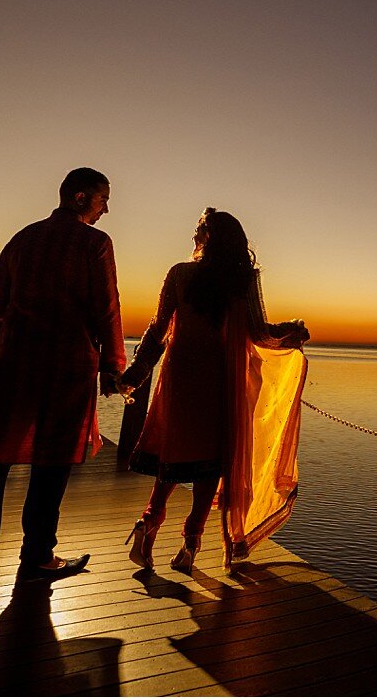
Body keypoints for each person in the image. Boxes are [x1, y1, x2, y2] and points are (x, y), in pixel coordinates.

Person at [0, 167, 127, 588]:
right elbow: (107, 308)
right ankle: (39, 554)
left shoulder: (21, 239)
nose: (106, 209)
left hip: (15, 364)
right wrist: (114, 366)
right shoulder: (94, 243)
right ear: (81, 198)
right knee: (52, 462)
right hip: (67, 366)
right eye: (103, 199)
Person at [119, 207, 309, 571]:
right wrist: (292, 330)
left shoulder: (180, 273)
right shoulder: (242, 280)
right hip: (223, 377)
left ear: (207, 237)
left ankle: (148, 526)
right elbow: (258, 331)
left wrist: (137, 372)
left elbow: (159, 329)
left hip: (183, 374)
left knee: (173, 457)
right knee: (212, 462)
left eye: (198, 230)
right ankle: (191, 543)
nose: (193, 235)